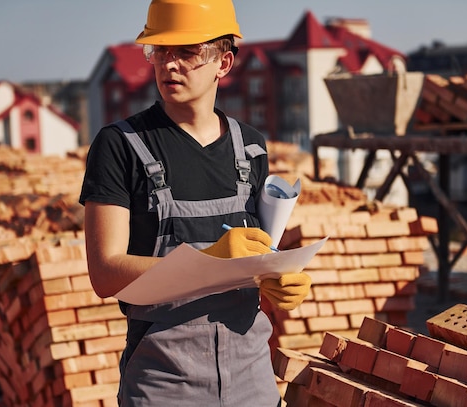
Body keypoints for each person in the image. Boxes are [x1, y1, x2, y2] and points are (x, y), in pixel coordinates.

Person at [79, 0, 312, 405]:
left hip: (251, 379)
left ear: (223, 62)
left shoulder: (251, 148)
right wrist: (212, 260)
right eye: (160, 51)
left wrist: (279, 277)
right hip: (164, 381)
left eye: (187, 52)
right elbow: (105, 273)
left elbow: (258, 253)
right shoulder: (120, 146)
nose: (170, 65)